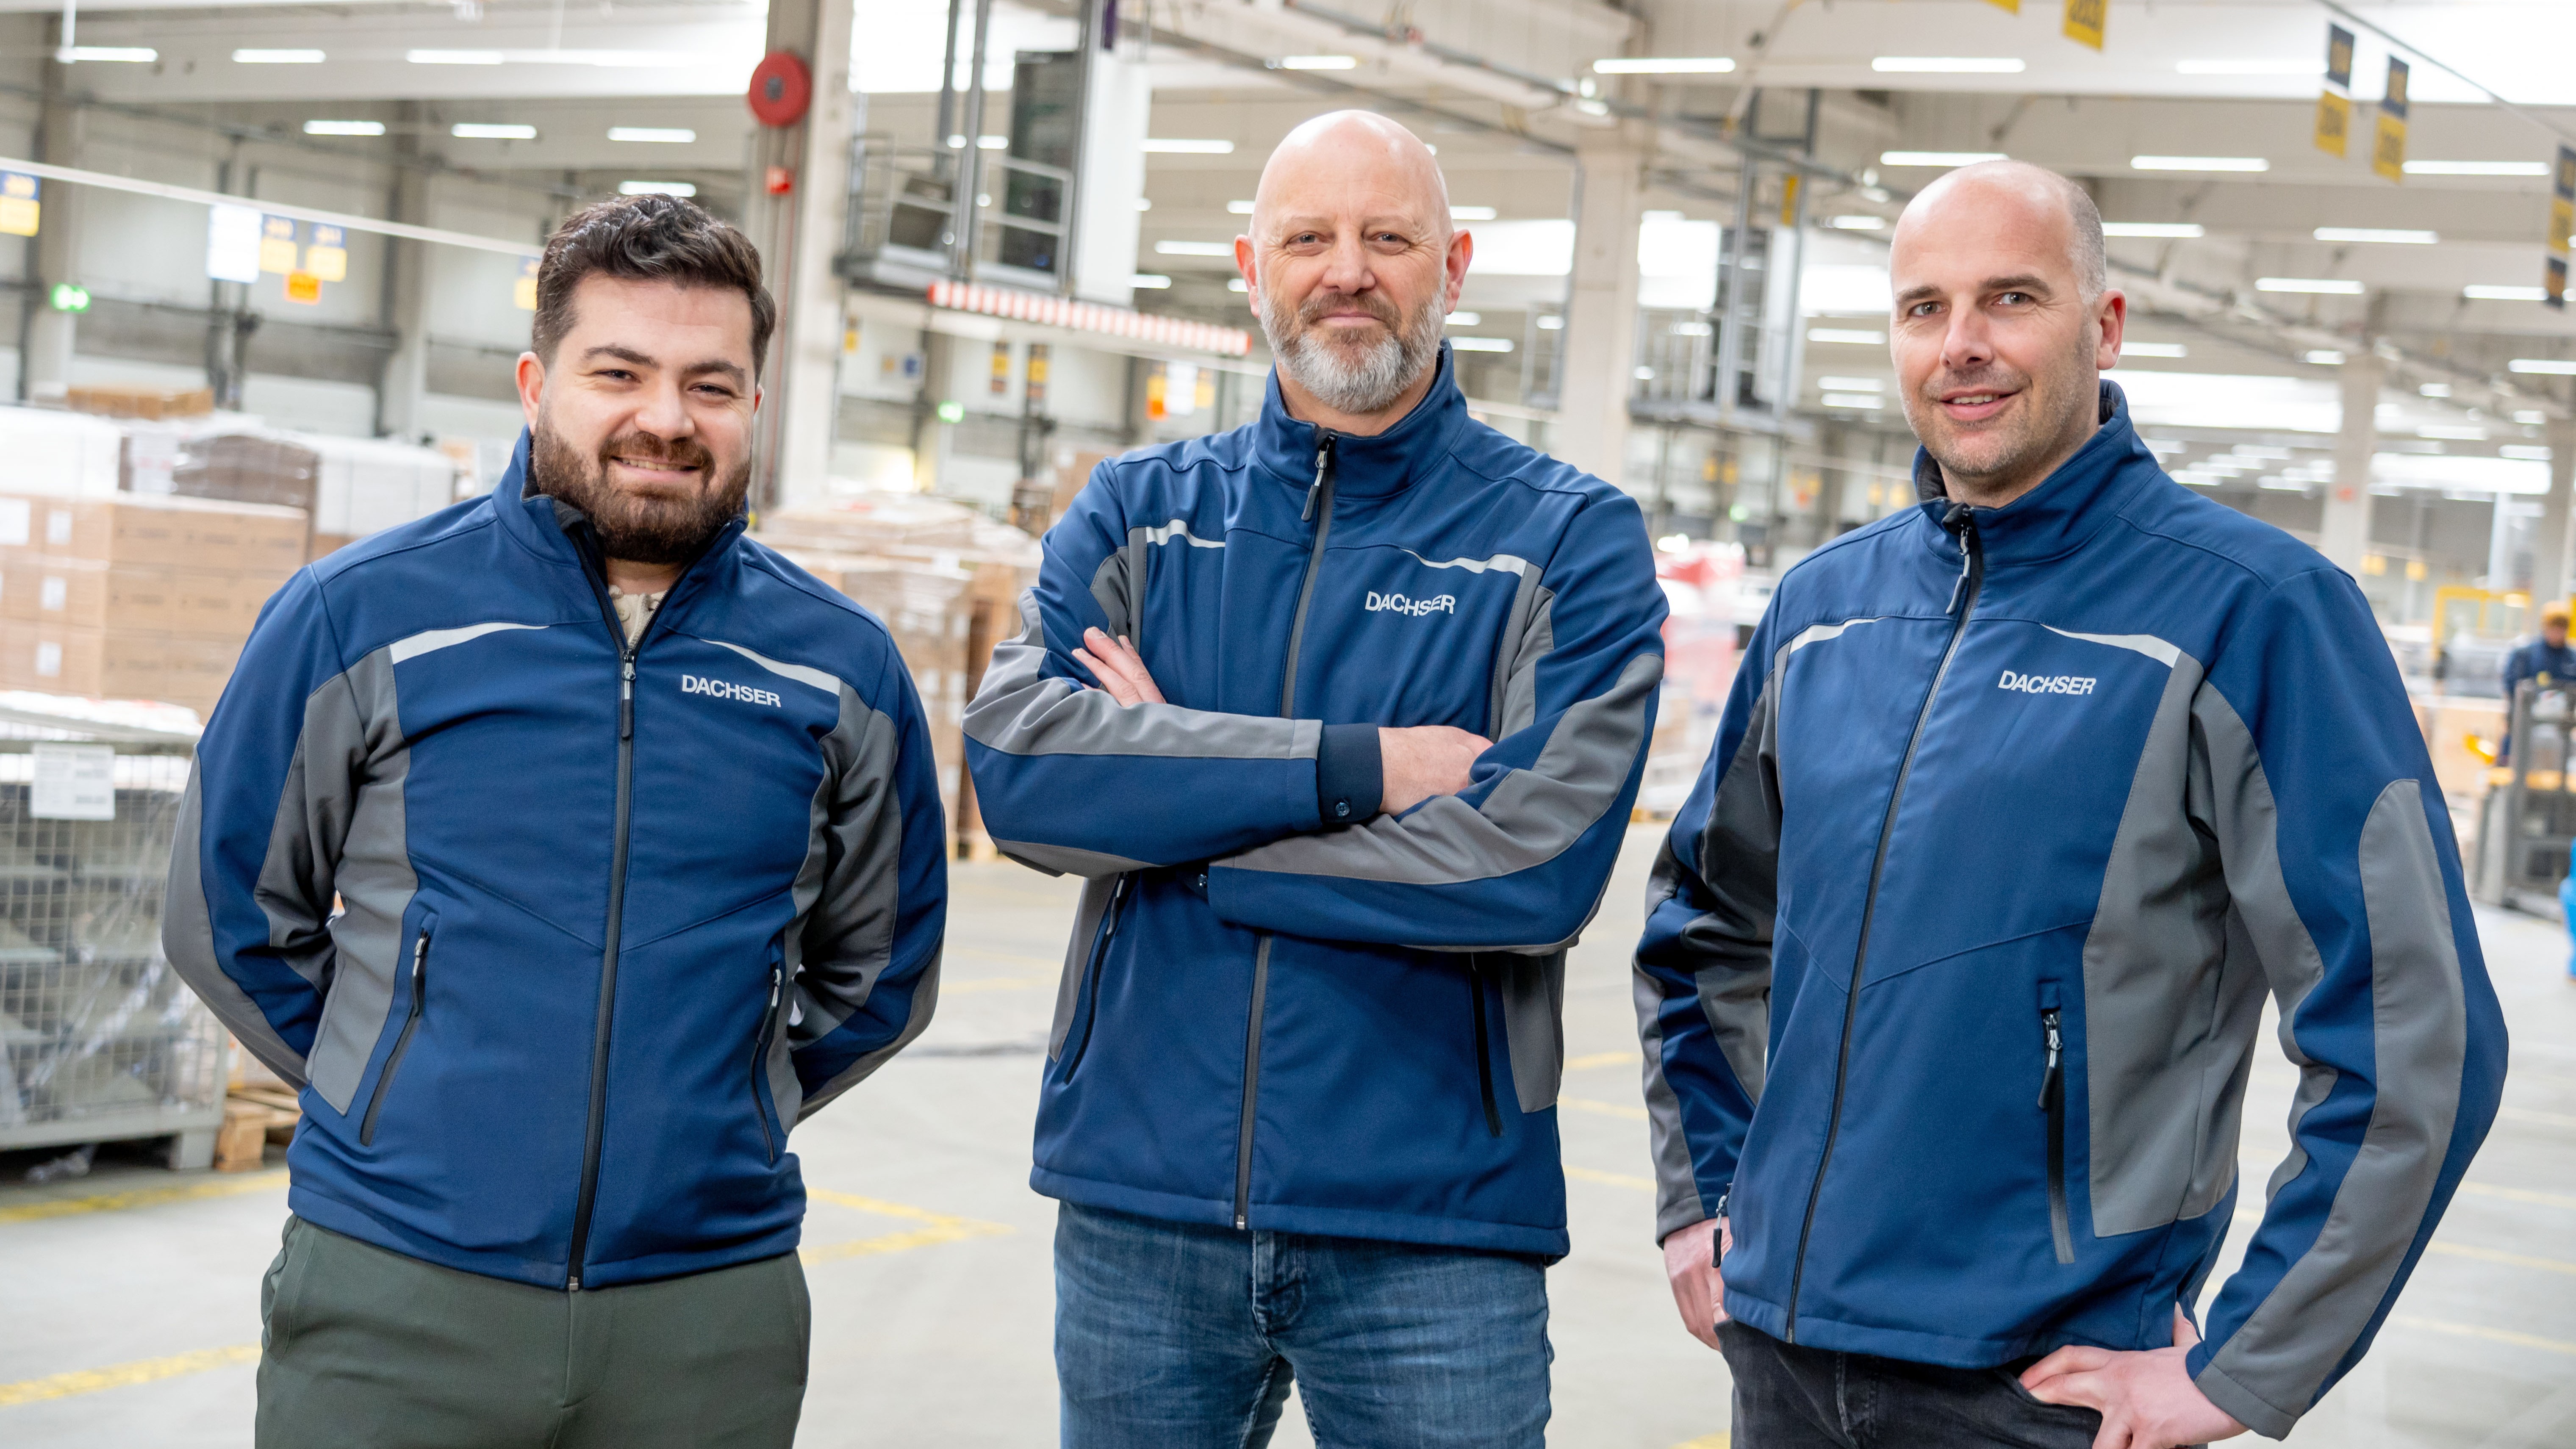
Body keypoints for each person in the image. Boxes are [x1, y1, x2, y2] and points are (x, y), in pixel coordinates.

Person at [1633, 159, 2506, 1449]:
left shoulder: (2249, 613)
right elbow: (1702, 928)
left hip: (2041, 1386)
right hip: (1779, 1355)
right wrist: (1702, 1197)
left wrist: (2239, 1367)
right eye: (1921, 308)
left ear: (2101, 326)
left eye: (2009, 299)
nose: (1961, 347)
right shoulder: (1821, 613)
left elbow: (2412, 1029)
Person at [166, 194, 947, 1448]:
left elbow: (883, 966)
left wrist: (729, 1110)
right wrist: (395, 1098)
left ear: (754, 403)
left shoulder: (837, 667)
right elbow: (225, 914)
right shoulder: (356, 617)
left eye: (710, 382)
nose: (665, 418)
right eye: (618, 371)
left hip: (707, 1310)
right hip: (395, 1289)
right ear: (536, 383)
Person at [964, 110, 1666, 1447]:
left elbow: (1529, 865)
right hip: (1141, 1203)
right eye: (1307, 238)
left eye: (1385, 237)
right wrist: (1367, 769)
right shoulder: (1136, 511)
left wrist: (1179, 817)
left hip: (1433, 1224)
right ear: (1251, 263)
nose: (1344, 269)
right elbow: (1019, 774)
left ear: (1451, 265)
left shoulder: (1563, 540)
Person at [2496, 599, 2576, 763]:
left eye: (2561, 628)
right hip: (2525, 729)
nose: (2557, 633)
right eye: (2553, 627)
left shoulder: (2571, 659)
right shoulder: (2526, 656)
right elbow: (2512, 687)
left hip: (2560, 733)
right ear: (2545, 627)